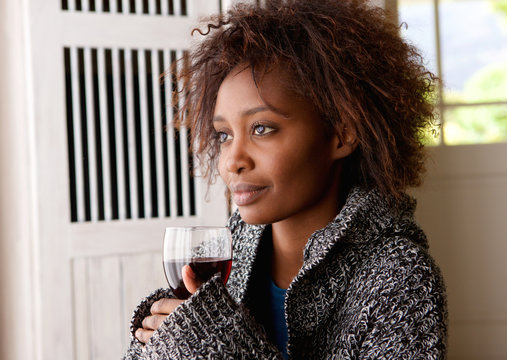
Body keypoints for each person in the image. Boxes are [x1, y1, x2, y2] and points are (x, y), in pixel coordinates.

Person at [123, 0, 447, 358]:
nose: (233, 160)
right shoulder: (227, 259)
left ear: (341, 134)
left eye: (261, 128)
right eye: (224, 135)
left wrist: (220, 345)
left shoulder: (401, 278)